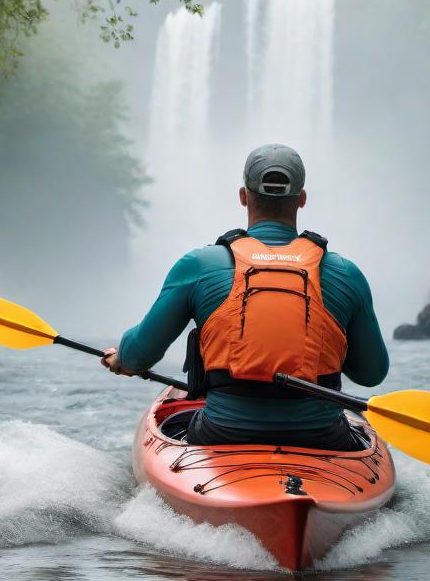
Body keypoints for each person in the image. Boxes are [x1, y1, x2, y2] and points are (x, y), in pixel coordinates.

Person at [102, 144, 388, 449]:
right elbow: (371, 374)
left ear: (243, 196)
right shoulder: (344, 273)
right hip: (322, 437)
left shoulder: (200, 265)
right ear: (302, 199)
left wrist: (124, 358)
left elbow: (139, 354)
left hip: (223, 431)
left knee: (180, 423)